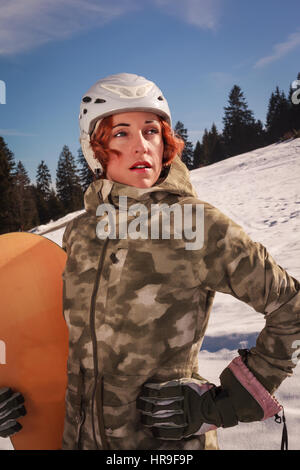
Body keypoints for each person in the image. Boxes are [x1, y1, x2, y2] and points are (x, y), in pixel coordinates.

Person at [61, 72, 300, 450]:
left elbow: (293, 307)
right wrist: (21, 385)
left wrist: (230, 401)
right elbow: (66, 337)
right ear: (95, 149)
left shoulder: (194, 224)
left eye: (151, 131)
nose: (141, 146)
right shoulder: (79, 233)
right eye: (121, 132)